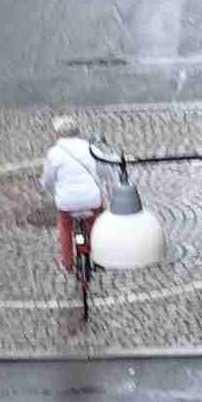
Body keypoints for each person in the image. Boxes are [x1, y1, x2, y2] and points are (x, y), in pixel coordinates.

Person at [42, 119, 114, 312]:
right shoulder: (92, 149)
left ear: (58, 134)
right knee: (95, 224)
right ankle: (99, 259)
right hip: (91, 199)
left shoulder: (54, 153)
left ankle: (67, 262)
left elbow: (48, 180)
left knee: (65, 226)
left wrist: (50, 187)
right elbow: (106, 172)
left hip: (67, 202)